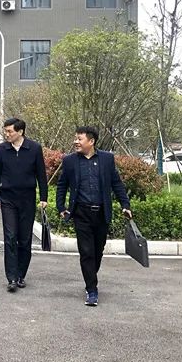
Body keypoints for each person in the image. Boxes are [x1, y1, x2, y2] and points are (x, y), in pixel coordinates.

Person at [56, 126, 132, 307]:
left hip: (101, 212)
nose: (76, 142)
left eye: (79, 139)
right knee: (86, 252)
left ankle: (90, 278)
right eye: (75, 138)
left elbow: (116, 183)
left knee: (97, 251)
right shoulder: (69, 161)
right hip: (81, 213)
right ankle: (92, 290)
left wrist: (125, 205)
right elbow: (62, 185)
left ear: (91, 141)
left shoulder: (107, 159)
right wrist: (61, 207)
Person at [0, 117, 48, 293]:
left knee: (24, 239)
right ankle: (12, 278)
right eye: (5, 131)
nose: (6, 134)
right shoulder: (2, 149)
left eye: (10, 131)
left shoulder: (34, 148)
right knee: (10, 237)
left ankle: (21, 274)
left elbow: (41, 174)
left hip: (27, 199)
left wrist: (43, 197)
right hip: (8, 198)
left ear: (20, 131)